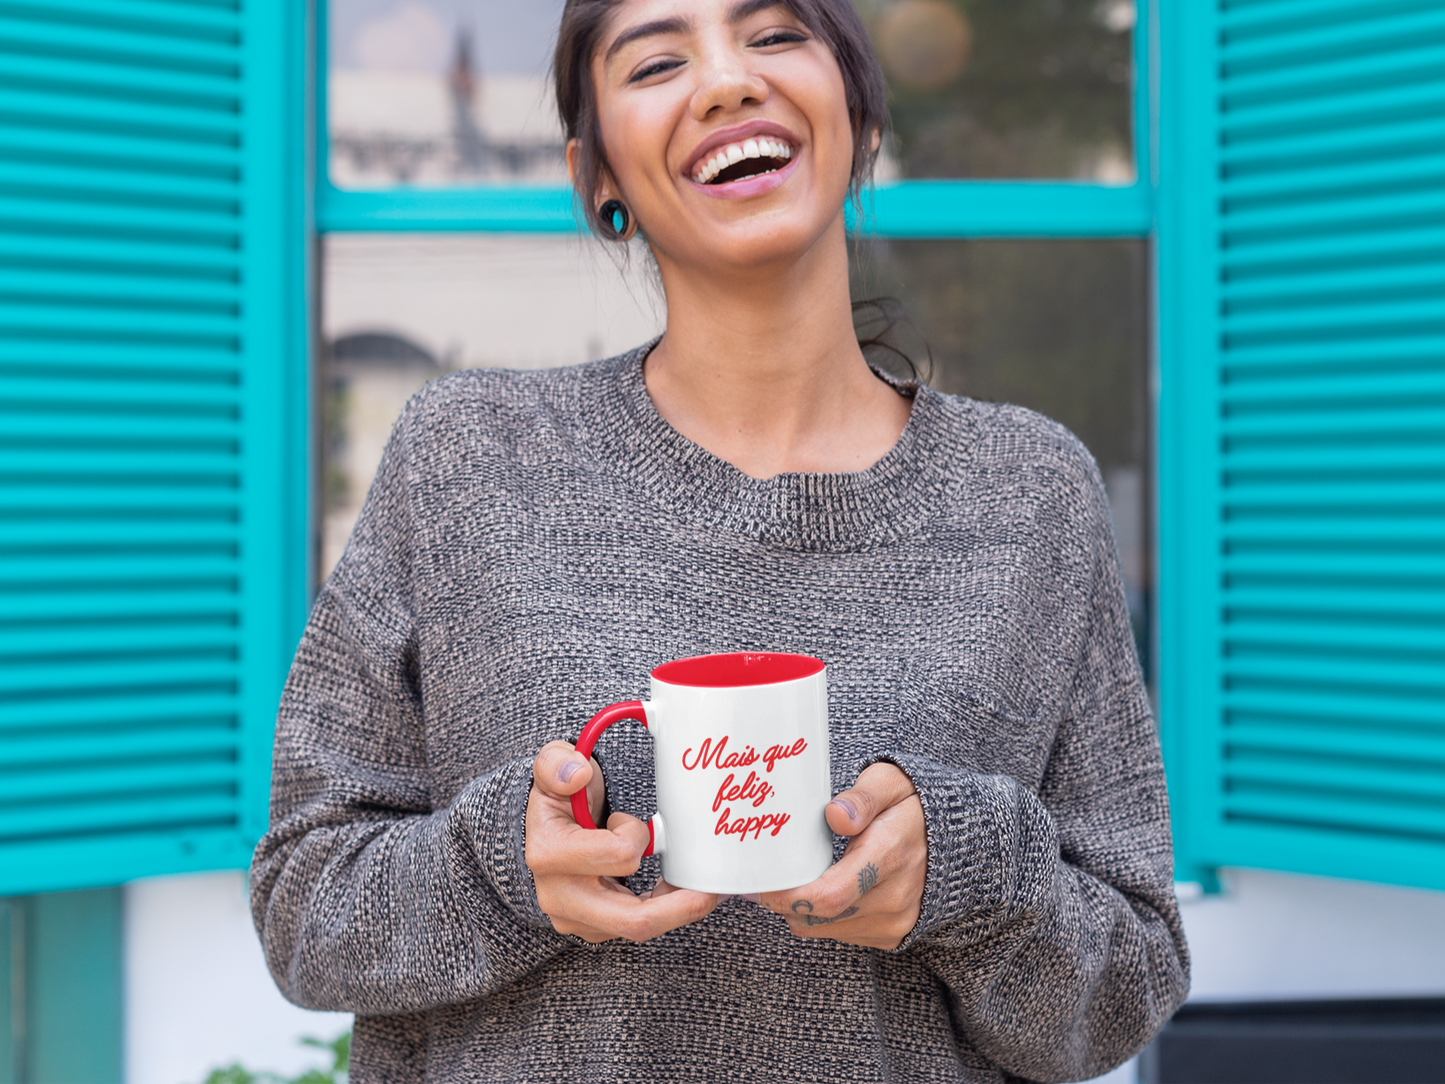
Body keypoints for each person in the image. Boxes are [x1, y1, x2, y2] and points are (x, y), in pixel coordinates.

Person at [250, 0, 1190, 1080]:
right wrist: (498, 867)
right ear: (597, 177)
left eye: (776, 36)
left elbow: (1128, 984)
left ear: (861, 119)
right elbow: (301, 906)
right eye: (654, 60)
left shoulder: (1031, 493)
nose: (725, 81)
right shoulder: (464, 459)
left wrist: (977, 873)